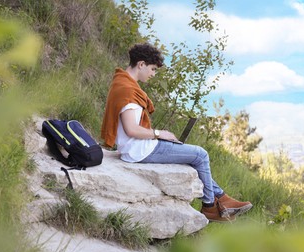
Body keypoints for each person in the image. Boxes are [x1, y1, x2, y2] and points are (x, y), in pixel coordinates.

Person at [101, 42, 252, 222]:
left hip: (138, 147)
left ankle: (222, 199)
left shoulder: (122, 82)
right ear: (141, 64)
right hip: (139, 150)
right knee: (200, 155)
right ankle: (210, 206)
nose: (153, 74)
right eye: (152, 69)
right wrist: (159, 134)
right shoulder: (127, 90)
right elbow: (131, 129)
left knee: (191, 156)